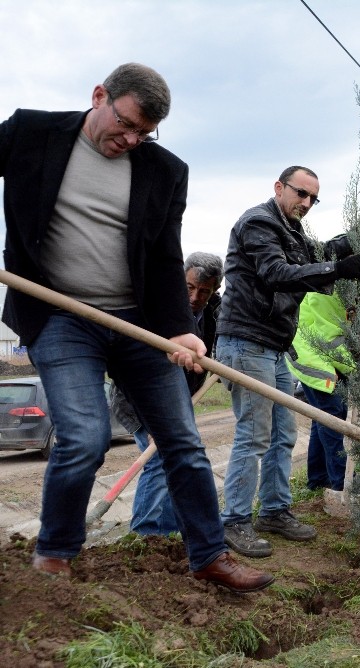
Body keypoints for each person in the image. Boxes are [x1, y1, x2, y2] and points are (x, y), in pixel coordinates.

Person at [0, 62, 272, 592]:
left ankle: (209, 555)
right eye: (124, 124)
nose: (129, 139)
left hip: (138, 322)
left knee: (183, 443)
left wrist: (181, 329)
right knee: (83, 437)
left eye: (143, 133)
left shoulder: (165, 171)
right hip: (59, 316)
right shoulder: (32, 132)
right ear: (99, 95)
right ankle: (54, 557)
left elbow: (166, 258)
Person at [215, 166, 360, 557]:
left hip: (274, 346)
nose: (306, 203)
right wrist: (335, 270)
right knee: (254, 434)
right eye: (301, 194)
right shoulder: (259, 222)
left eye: (313, 198)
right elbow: (276, 272)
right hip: (247, 341)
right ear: (279, 187)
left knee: (283, 434)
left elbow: (322, 253)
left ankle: (274, 510)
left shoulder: (291, 231)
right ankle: (234, 521)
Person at [113, 252, 224, 536]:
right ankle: (145, 534)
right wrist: (155, 423)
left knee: (180, 459)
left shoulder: (214, 312)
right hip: (137, 396)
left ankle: (170, 532)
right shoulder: (156, 306)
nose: (196, 296)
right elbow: (130, 365)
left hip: (178, 401)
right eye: (189, 287)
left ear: (214, 290)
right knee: (160, 458)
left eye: (205, 291)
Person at [286, 290, 356, 513]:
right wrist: (356, 369)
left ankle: (317, 478)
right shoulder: (332, 292)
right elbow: (329, 337)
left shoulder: (357, 290)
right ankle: (342, 482)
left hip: (327, 353)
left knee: (322, 415)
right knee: (333, 415)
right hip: (310, 351)